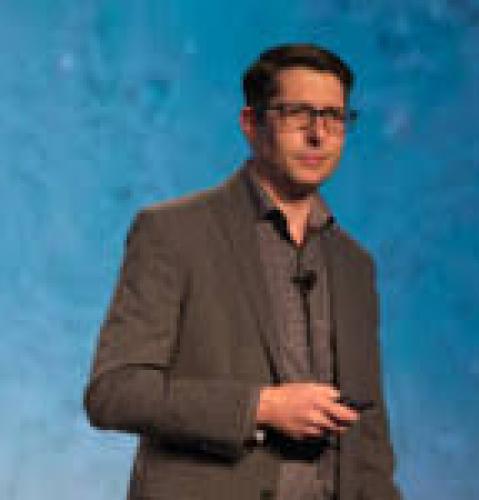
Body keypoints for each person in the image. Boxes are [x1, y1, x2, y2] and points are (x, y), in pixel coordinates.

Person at [84, 43, 401, 500]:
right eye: (297, 114)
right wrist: (261, 407)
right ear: (251, 124)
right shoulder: (172, 232)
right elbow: (114, 393)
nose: (318, 134)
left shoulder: (355, 265)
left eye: (333, 116)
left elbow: (369, 444)